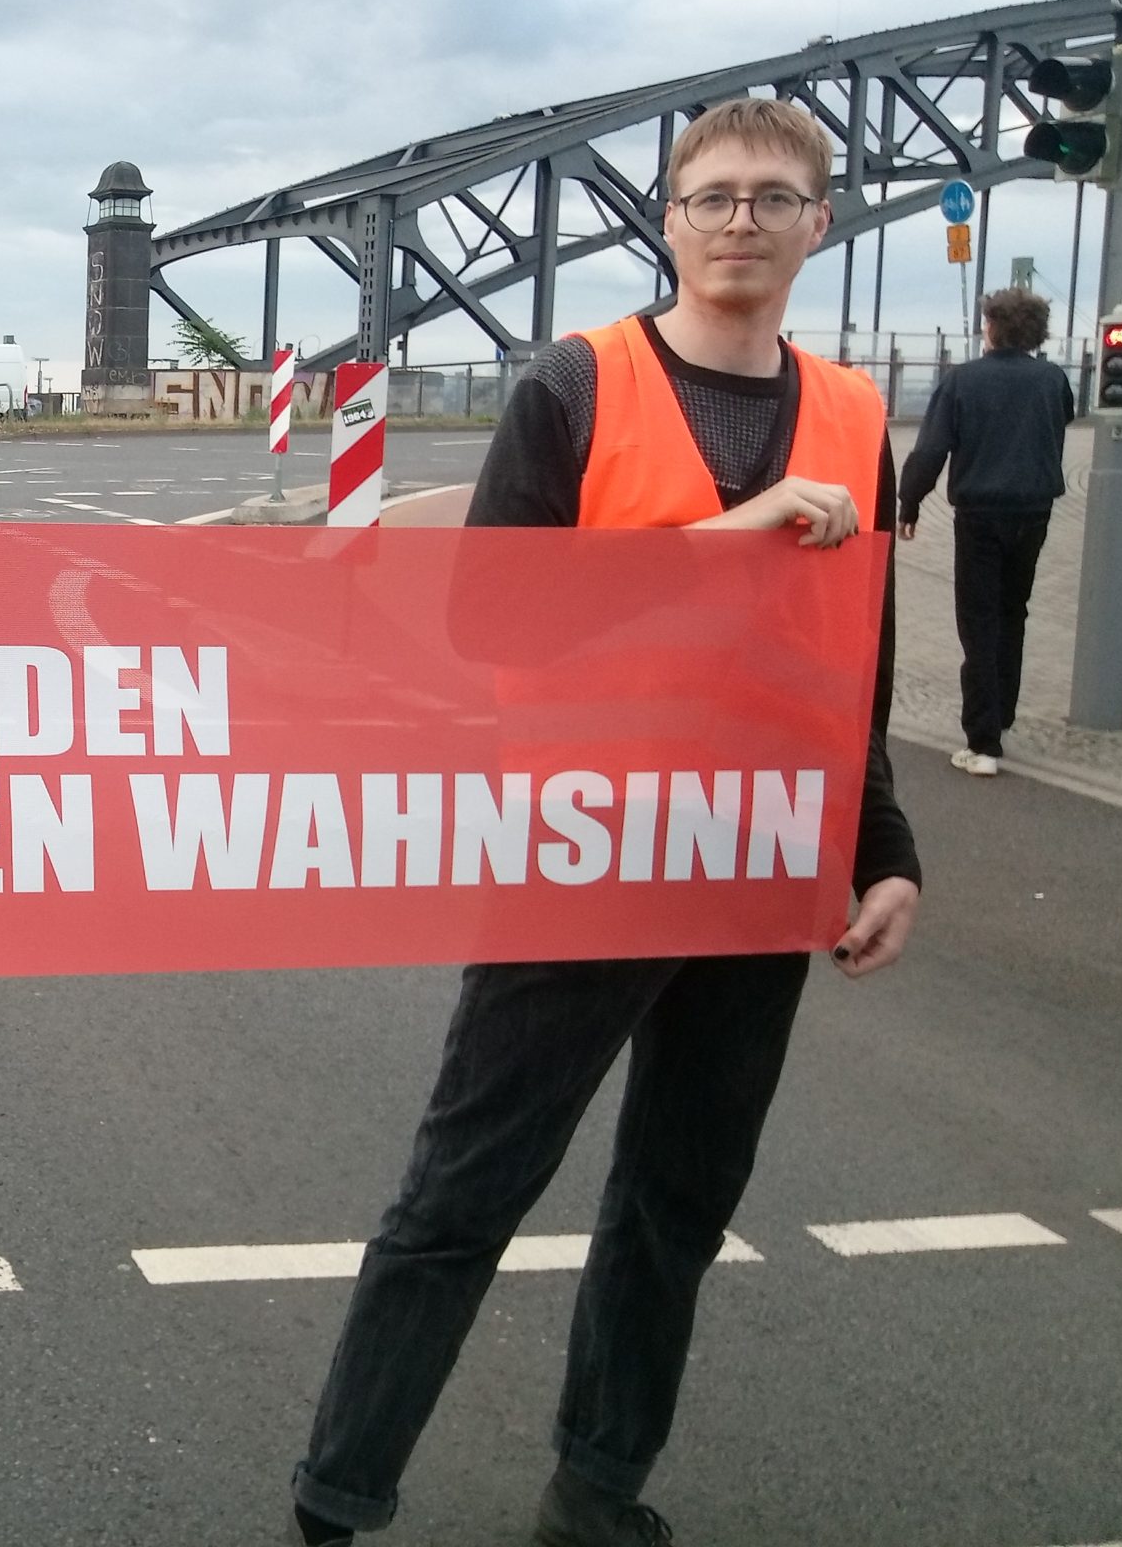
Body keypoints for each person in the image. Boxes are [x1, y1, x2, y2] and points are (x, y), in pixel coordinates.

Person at [288, 99, 920, 1547]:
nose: (742, 220)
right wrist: (725, 539)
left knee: (676, 1205)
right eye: (714, 196)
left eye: (774, 197)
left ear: (820, 224)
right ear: (668, 219)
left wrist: (882, 850)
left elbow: (857, 660)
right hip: (584, 854)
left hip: (756, 863)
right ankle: (337, 1500)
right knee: (466, 1190)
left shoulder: (855, 416)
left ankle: (597, 1491)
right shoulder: (575, 387)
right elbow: (491, 622)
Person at [897, 286, 1075, 776]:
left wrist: (910, 502)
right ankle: (1002, 714)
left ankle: (983, 743)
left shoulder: (963, 381)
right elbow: (1062, 422)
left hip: (978, 514)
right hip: (1034, 511)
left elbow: (931, 449)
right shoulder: (1053, 380)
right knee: (1013, 613)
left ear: (991, 327)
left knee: (978, 622)